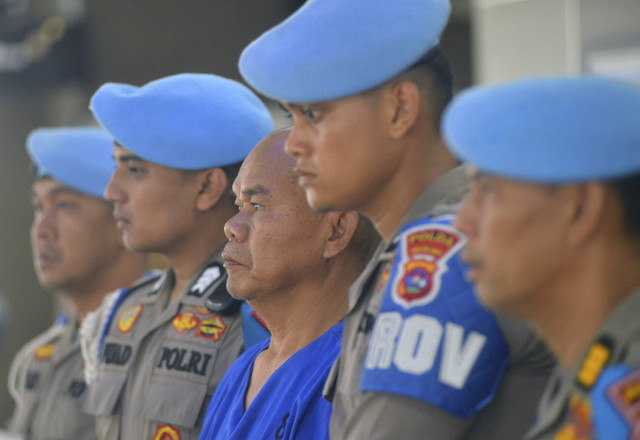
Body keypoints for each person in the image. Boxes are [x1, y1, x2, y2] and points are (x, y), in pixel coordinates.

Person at [237, 0, 556, 438]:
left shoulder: (442, 257)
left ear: (400, 109)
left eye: (313, 115)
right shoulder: (410, 250)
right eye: (293, 117)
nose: (294, 144)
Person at [444, 76, 640, 440]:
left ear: (580, 208)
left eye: (487, 192)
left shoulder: (625, 389)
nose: (462, 222)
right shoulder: (590, 368)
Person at [81, 73, 274, 440]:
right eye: (115, 166)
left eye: (134, 169)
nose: (111, 191)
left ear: (206, 188)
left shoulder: (260, 314)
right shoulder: (122, 312)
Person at [199, 128, 379, 439]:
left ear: (336, 231)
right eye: (237, 206)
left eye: (257, 206)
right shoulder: (242, 370)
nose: (232, 227)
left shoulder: (362, 374)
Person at [5, 127, 148, 440]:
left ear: (122, 217)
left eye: (65, 205)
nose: (42, 229)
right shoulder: (40, 356)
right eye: (39, 208)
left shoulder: (153, 347)